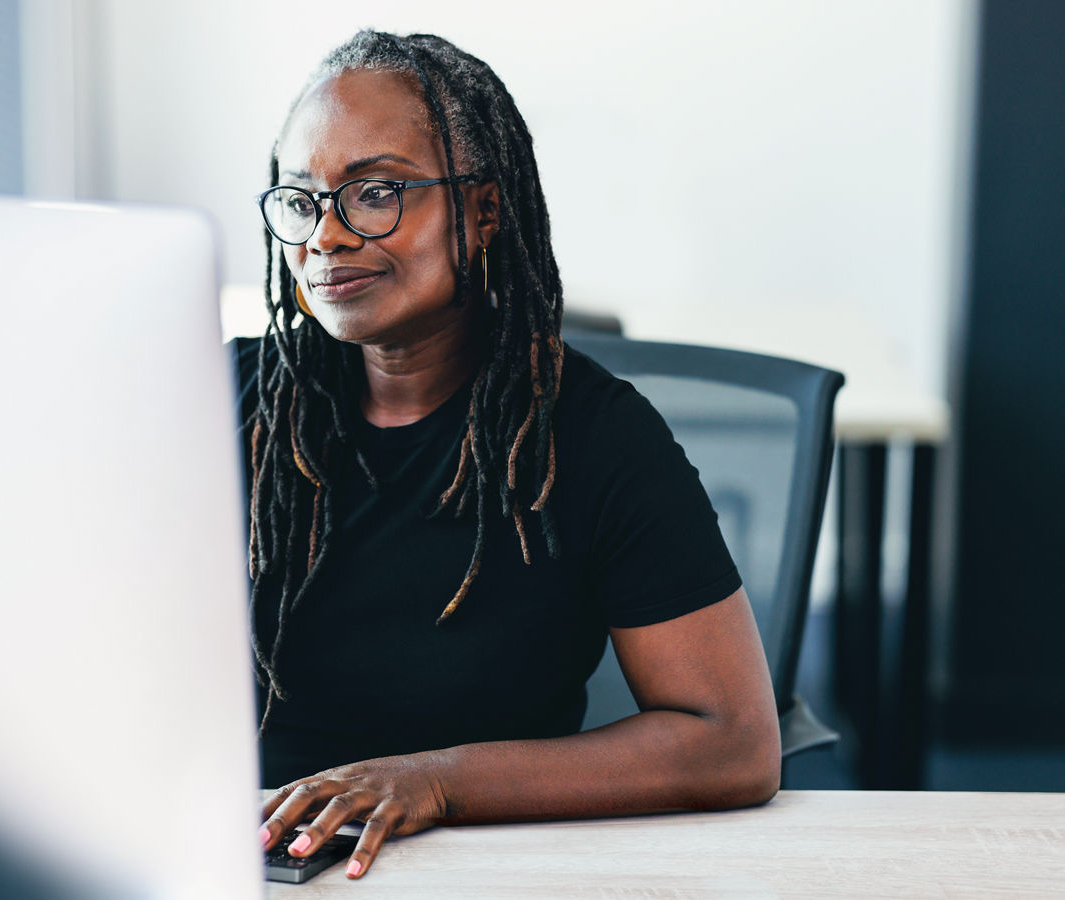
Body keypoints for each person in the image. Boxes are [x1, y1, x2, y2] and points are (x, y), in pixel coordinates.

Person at [238, 30, 780, 880]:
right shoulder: (227, 404)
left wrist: (439, 781)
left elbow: (734, 743)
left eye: (375, 192)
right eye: (303, 201)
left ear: (484, 210)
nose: (328, 237)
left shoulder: (591, 434)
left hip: (495, 869)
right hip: (245, 863)